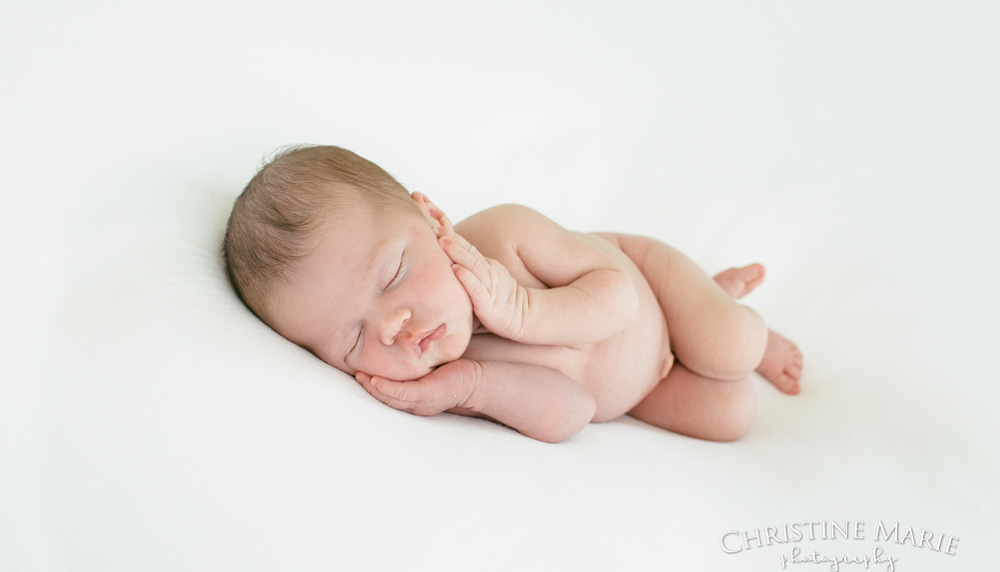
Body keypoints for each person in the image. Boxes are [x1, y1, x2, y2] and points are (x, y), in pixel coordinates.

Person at [223, 145, 802, 444]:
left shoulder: (506, 235)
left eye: (392, 273)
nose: (392, 326)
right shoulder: (452, 366)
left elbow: (619, 299)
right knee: (732, 415)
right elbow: (576, 413)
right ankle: (712, 316)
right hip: (637, 389)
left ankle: (719, 304)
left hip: (651, 286)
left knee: (728, 346)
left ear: (431, 218)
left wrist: (521, 309)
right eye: (352, 340)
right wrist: (471, 389)